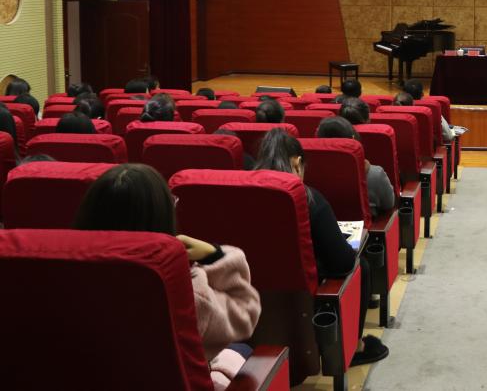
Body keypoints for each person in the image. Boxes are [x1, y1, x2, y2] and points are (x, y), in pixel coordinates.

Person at [73, 163, 260, 390]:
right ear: (160, 219)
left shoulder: (63, 285)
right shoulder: (183, 294)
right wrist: (215, 255)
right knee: (244, 350)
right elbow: (246, 311)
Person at [255, 129, 388, 366]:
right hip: (303, 299)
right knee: (362, 266)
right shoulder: (309, 200)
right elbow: (342, 262)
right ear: (297, 163)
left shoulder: (241, 193)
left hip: (251, 298)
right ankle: (353, 347)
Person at [316, 116, 395, 218]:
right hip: (367, 227)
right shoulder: (375, 174)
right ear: (353, 139)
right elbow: (389, 204)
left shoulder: (309, 174)